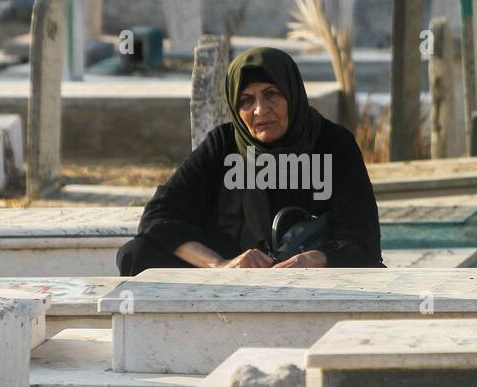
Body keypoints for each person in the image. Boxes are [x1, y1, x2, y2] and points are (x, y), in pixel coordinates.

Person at [116, 46, 383, 274]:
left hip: (313, 273)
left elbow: (363, 238)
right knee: (137, 253)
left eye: (271, 94)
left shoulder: (333, 144)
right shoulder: (223, 145)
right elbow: (158, 217)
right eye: (246, 100)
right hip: (234, 275)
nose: (260, 110)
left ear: (292, 94)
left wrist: (309, 259)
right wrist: (220, 265)